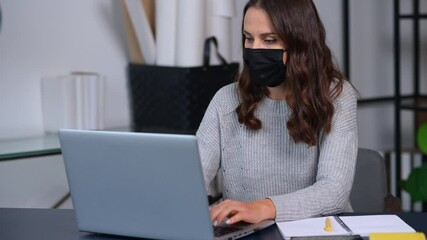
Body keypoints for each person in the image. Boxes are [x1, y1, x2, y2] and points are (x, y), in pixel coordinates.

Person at [196, 0, 358, 225]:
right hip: (248, 233)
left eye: (269, 40)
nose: (254, 49)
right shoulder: (226, 100)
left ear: (300, 43)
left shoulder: (336, 97)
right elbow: (193, 179)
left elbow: (334, 191)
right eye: (248, 38)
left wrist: (264, 207)